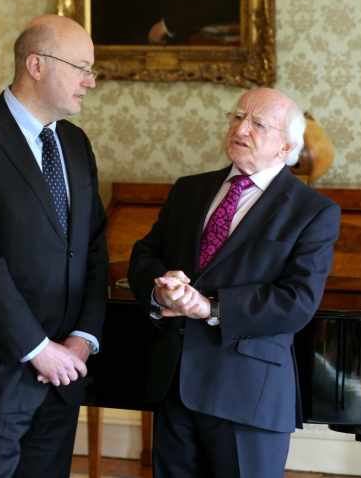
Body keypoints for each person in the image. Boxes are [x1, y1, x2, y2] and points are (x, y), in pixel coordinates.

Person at [128, 87, 341, 478]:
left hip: (247, 394)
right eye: (237, 117)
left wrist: (211, 307)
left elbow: (297, 301)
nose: (241, 129)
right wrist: (160, 289)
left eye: (258, 123)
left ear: (286, 147)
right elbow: (145, 256)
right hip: (174, 386)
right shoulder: (189, 189)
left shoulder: (313, 211)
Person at [0, 14, 109, 478]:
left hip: (64, 375)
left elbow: (94, 249)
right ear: (36, 65)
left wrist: (83, 339)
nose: (91, 81)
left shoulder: (75, 143)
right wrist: (37, 349)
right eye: (81, 68)